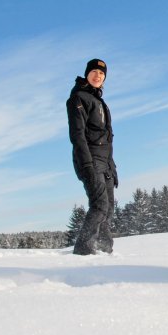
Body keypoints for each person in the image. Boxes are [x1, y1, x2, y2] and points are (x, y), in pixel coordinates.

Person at [67, 58, 118, 255]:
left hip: (105, 163)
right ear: (87, 74)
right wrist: (86, 164)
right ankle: (83, 250)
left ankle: (105, 250)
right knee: (99, 206)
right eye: (95, 72)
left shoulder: (101, 103)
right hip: (90, 161)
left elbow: (107, 140)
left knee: (109, 209)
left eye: (102, 73)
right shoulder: (78, 98)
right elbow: (77, 135)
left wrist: (112, 168)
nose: (98, 76)